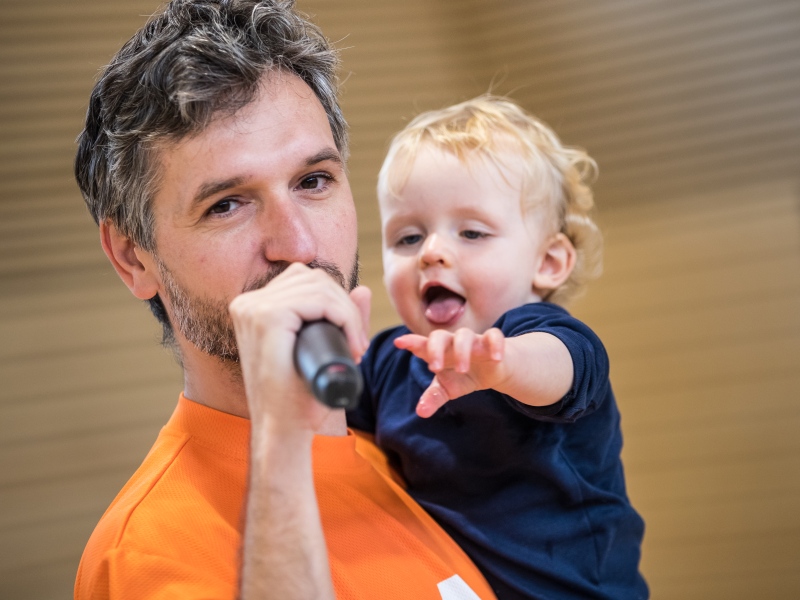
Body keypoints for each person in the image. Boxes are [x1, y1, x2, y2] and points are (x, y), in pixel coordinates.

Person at [72, 1, 499, 598]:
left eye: (312, 181)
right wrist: (282, 449)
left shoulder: (411, 460)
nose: (298, 247)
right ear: (132, 258)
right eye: (226, 205)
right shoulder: (147, 554)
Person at [347, 96, 649, 599]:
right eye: (408, 238)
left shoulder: (540, 336)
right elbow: (323, 416)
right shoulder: (388, 360)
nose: (432, 252)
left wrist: (504, 366)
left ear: (548, 262)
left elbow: (565, 367)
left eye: (471, 232)